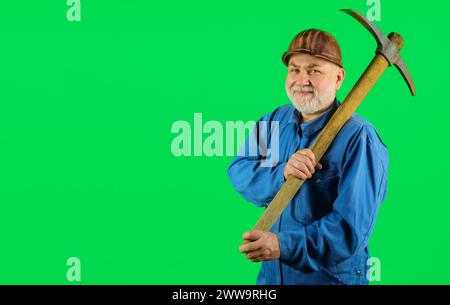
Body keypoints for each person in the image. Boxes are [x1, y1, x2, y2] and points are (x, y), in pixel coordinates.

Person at [227, 29, 389, 285]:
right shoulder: (273, 121)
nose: (302, 80)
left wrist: (282, 246)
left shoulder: (360, 138)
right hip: (272, 279)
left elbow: (349, 231)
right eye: (295, 69)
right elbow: (239, 170)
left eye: (314, 70)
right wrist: (281, 172)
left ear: (338, 77)